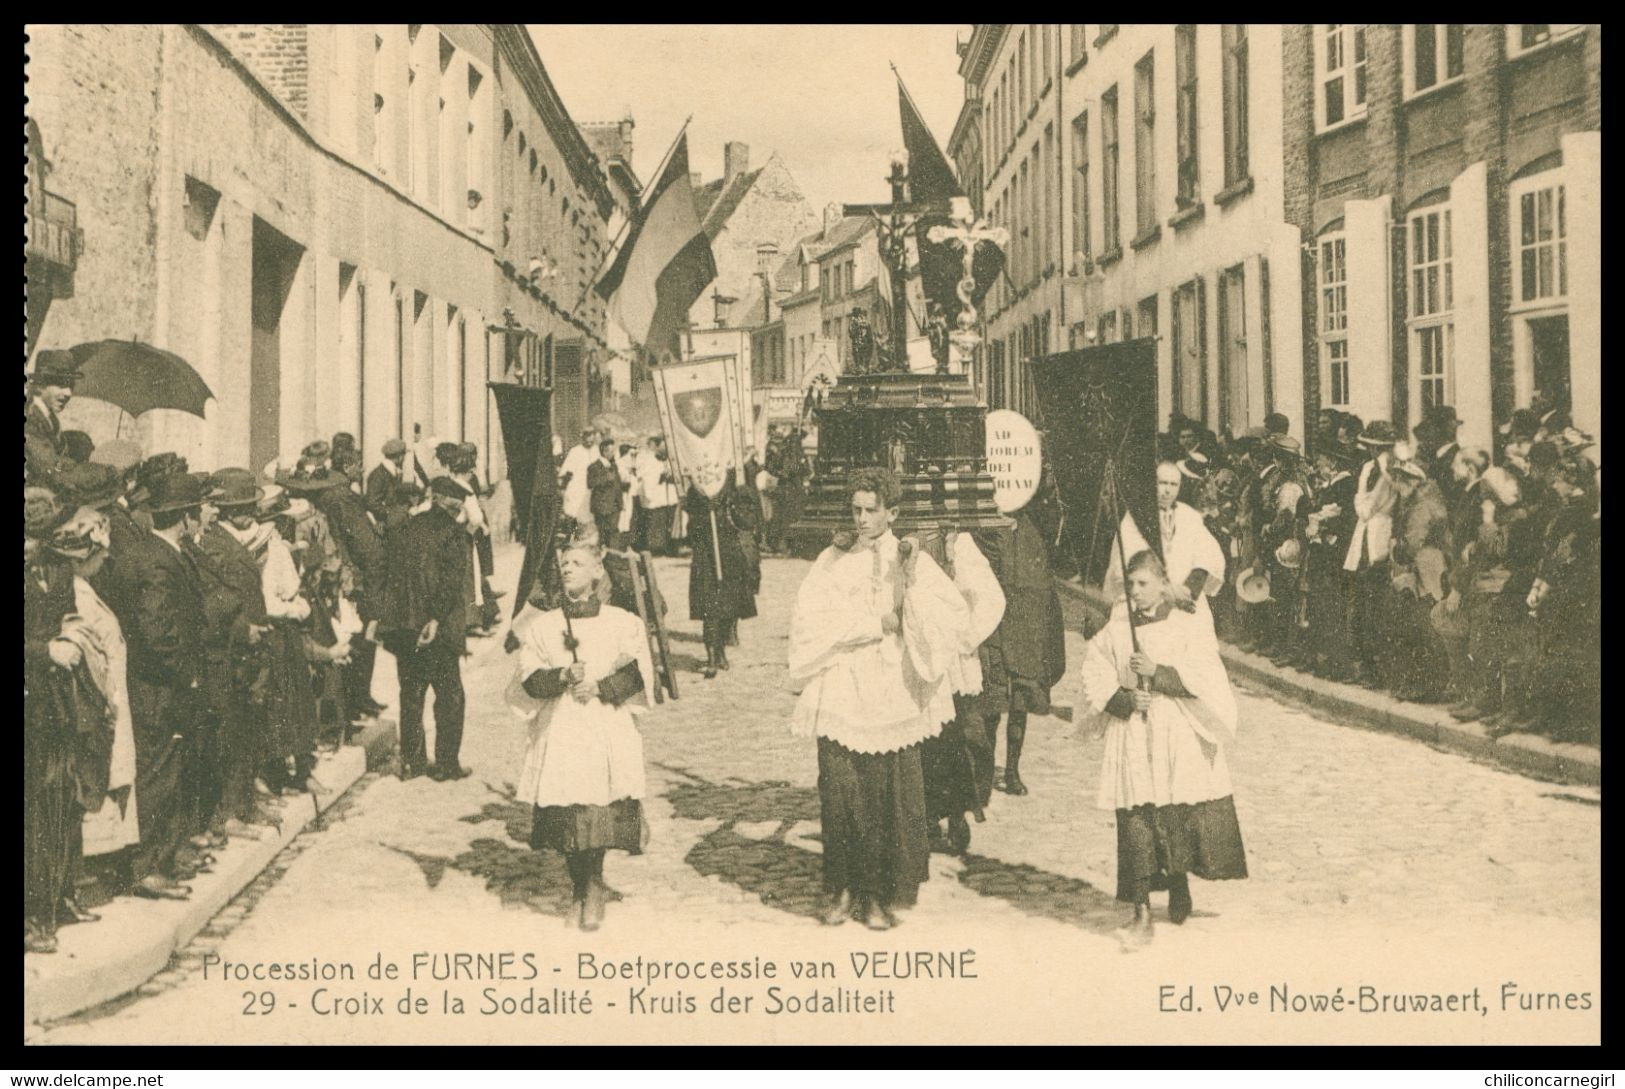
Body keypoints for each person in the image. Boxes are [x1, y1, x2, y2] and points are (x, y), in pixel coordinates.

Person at [787, 467, 971, 930]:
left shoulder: (912, 560)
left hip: (891, 690)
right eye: (856, 510)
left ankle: (877, 892)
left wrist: (911, 604)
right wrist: (873, 623)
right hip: (843, 686)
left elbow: (951, 616)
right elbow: (812, 621)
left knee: (884, 795)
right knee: (840, 792)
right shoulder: (834, 559)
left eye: (872, 510)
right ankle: (841, 886)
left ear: (893, 512)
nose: (863, 519)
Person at [1079, 549, 1247, 945]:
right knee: (1135, 817)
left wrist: (1159, 674)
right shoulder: (1117, 628)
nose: (1135, 592)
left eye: (1143, 584)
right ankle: (1140, 912)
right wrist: (1123, 699)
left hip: (1175, 732)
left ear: (1161, 583)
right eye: (1130, 584)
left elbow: (1207, 675)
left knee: (1172, 814)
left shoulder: (1186, 625)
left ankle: (1178, 882)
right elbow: (1094, 672)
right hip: (1133, 732)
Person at [506, 540, 654, 931]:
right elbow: (528, 679)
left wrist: (601, 688)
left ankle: (592, 886)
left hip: (604, 726)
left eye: (578, 563)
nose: (569, 569)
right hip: (563, 730)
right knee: (569, 815)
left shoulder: (622, 622)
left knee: (598, 810)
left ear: (597, 572)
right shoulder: (544, 626)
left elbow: (638, 674)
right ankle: (580, 886)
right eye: (565, 563)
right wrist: (560, 677)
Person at [24, 491, 109, 951]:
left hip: (52, 703)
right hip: (31, 691)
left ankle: (54, 898)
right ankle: (33, 916)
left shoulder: (55, 569)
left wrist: (71, 633)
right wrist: (43, 651)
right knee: (31, 810)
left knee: (58, 801)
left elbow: (65, 614)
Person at [121, 473, 211, 901]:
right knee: (158, 771)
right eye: (197, 514)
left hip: (167, 683)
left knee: (172, 768)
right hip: (159, 686)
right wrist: (184, 672)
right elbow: (157, 630)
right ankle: (148, 867)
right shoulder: (157, 560)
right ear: (185, 518)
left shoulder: (163, 551)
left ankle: (167, 855)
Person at [49, 510, 141, 901]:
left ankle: (96, 868)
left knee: (107, 778)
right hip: (101, 703)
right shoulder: (77, 597)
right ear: (82, 555)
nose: (106, 560)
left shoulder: (85, 590)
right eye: (101, 553)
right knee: (96, 779)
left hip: (110, 698)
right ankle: (89, 875)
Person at [375, 476, 473, 781]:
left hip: (406, 627)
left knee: (412, 693)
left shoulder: (405, 529)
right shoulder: (453, 533)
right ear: (452, 503)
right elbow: (450, 584)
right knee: (449, 696)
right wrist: (436, 618)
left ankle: (412, 763)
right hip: (438, 628)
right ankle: (446, 764)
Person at [967, 506, 1066, 797]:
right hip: (995, 622)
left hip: (1026, 623)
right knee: (992, 704)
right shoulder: (984, 528)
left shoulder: (1031, 529)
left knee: (1021, 702)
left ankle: (1012, 770)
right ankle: (984, 773)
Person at [920, 526, 1006, 854]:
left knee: (962, 739)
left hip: (955, 661)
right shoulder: (907, 537)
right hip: (922, 656)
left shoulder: (960, 543)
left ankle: (958, 812)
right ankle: (928, 815)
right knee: (926, 741)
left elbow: (991, 598)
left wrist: (965, 638)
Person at [1103, 461, 1227, 614]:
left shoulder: (1190, 516)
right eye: (1163, 483)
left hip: (1183, 598)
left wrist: (1189, 588)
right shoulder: (1136, 515)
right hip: (1144, 594)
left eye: (1173, 484)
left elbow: (1210, 554)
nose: (1167, 490)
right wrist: (1163, 589)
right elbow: (1128, 557)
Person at [683, 474, 760, 679]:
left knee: (729, 606)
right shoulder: (695, 492)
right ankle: (711, 655)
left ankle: (721, 649)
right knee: (710, 607)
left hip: (730, 554)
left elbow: (747, 520)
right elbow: (690, 529)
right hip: (705, 556)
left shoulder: (735, 490)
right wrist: (703, 513)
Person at [1342, 421, 1400, 688]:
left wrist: (1362, 503)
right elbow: (1361, 505)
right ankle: (1363, 664)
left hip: (1380, 533)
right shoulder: (1369, 468)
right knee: (1360, 604)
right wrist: (1362, 502)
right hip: (1364, 535)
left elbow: (1366, 508)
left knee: (1374, 605)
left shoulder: (1390, 471)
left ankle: (1377, 669)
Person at [25, 349, 81, 487]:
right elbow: (50, 466)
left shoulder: (51, 419)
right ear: (39, 386)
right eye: (61, 384)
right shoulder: (30, 419)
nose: (68, 393)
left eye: (70, 385)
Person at [634, 435, 679, 556]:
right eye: (663, 445)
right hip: (656, 496)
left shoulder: (669, 460)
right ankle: (656, 548)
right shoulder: (649, 460)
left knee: (669, 523)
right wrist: (660, 476)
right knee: (655, 523)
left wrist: (670, 476)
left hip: (668, 496)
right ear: (657, 446)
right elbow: (646, 477)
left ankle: (669, 547)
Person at [366, 439, 414, 532]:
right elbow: (372, 503)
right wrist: (395, 513)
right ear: (400, 456)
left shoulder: (389, 472)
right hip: (384, 526)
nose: (404, 459)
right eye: (404, 455)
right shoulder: (379, 475)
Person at [559, 428, 598, 533]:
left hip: (591, 488)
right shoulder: (575, 451)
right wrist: (563, 487)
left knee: (589, 515)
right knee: (573, 511)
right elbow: (568, 471)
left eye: (592, 437)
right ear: (583, 437)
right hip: (576, 487)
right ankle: (571, 538)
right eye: (587, 436)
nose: (589, 440)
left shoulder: (597, 451)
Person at [588, 438, 624, 549]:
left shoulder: (614, 466)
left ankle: (612, 558)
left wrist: (620, 503)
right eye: (612, 451)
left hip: (614, 506)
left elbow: (617, 484)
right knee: (603, 534)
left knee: (613, 532)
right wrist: (605, 479)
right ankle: (605, 559)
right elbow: (590, 483)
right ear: (604, 451)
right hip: (602, 507)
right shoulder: (594, 466)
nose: (614, 454)